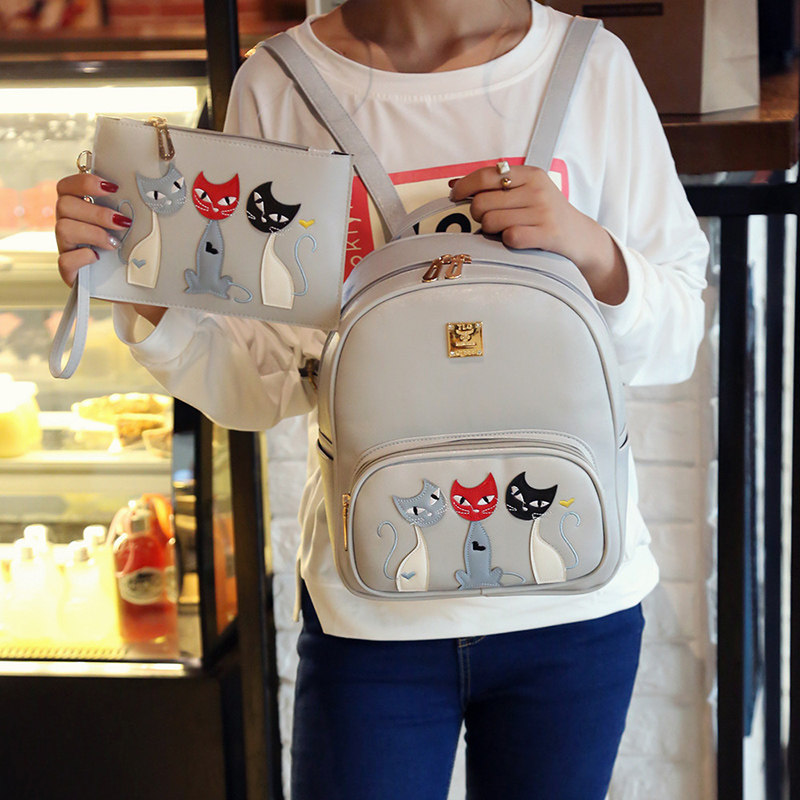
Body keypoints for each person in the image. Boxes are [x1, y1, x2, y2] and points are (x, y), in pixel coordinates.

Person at [54, 1, 709, 797]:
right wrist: (138, 281)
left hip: (573, 613)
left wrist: (591, 249)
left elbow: (678, 338)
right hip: (371, 616)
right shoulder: (281, 84)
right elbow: (262, 383)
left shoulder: (588, 67)